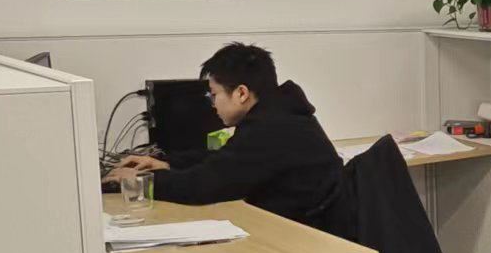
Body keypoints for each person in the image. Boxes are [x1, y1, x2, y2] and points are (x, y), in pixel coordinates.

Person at [108, 43, 345, 228]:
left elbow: (203, 186)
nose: (213, 104)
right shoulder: (278, 114)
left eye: (214, 95)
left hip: (312, 238)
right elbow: (224, 159)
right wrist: (166, 163)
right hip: (302, 226)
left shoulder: (271, 128)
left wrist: (142, 181)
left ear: (241, 93)